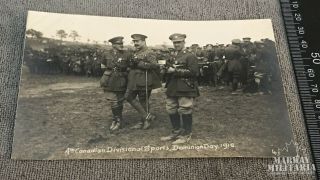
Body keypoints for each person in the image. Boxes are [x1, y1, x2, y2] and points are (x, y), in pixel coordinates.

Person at [160, 33, 200, 144]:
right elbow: (168, 68)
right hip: (172, 87)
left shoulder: (190, 55)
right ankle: (176, 131)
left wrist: (176, 71)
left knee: (185, 109)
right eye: (174, 42)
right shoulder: (172, 55)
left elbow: (194, 72)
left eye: (179, 42)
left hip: (185, 87)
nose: (176, 44)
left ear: (184, 42)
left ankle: (187, 134)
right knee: (171, 109)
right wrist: (164, 70)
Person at [125, 34, 161, 130]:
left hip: (144, 78)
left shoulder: (149, 52)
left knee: (143, 100)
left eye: (138, 41)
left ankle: (143, 121)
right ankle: (147, 117)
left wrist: (140, 63)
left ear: (144, 41)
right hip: (134, 79)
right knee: (128, 96)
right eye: (134, 41)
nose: (135, 43)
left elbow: (155, 65)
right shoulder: (135, 52)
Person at [100, 36, 131, 131]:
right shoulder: (106, 54)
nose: (121, 45)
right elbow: (102, 65)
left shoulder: (127, 54)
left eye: (122, 43)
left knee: (119, 100)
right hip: (109, 79)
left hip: (122, 79)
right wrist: (108, 73)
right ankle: (116, 120)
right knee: (113, 101)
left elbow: (130, 67)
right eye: (119, 44)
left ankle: (119, 120)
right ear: (113, 45)